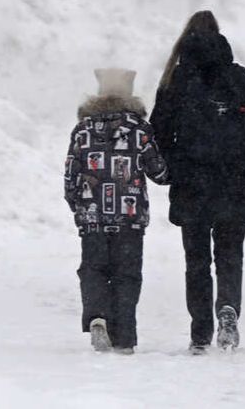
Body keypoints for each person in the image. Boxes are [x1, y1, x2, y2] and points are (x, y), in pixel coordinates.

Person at [150, 10, 245, 354]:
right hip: (232, 181)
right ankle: (228, 309)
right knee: (230, 254)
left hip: (191, 183)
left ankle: (201, 329)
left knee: (197, 259)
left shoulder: (175, 79)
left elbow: (157, 130)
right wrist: (242, 161)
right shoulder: (239, 78)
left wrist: (172, 166)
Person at [65, 68, 170, 354]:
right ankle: (124, 336)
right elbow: (159, 172)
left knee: (94, 269)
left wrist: (79, 206)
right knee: (127, 274)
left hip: (92, 218)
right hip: (129, 217)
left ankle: (97, 316)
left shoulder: (83, 130)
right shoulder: (138, 129)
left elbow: (71, 176)